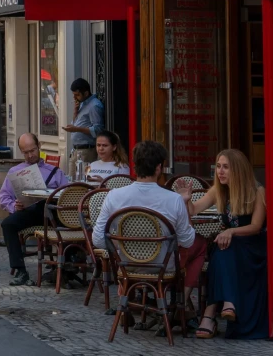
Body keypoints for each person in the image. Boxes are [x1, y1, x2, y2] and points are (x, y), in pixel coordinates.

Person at [93, 140, 207, 298]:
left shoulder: (114, 196)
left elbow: (98, 239)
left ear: (134, 165)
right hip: (163, 266)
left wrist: (123, 244)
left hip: (127, 265)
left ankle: (128, 289)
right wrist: (184, 202)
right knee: (200, 245)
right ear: (159, 167)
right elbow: (187, 241)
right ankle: (181, 301)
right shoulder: (174, 199)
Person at [180, 149, 267, 339]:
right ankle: (228, 304)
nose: (220, 172)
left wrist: (230, 231)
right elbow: (194, 210)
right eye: (218, 166)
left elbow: (256, 226)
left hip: (254, 247)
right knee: (222, 249)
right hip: (231, 246)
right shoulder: (218, 190)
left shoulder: (257, 190)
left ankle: (210, 315)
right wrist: (186, 200)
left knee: (224, 247)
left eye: (226, 167)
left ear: (238, 169)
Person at [0, 132, 69, 286]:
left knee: (71, 223)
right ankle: (20, 270)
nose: (30, 155)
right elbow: (3, 197)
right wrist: (13, 206)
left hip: (52, 213)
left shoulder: (55, 172)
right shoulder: (15, 172)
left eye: (33, 150)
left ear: (39, 147)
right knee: (8, 224)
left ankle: (65, 269)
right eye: (26, 152)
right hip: (29, 212)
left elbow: (68, 196)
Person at [61, 78, 104, 172]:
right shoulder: (82, 104)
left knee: (83, 179)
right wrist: (75, 112)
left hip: (87, 150)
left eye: (77, 95)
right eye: (73, 95)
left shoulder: (94, 106)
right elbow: (76, 123)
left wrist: (76, 129)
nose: (74, 98)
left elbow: (98, 130)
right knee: (71, 180)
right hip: (76, 149)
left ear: (86, 93)